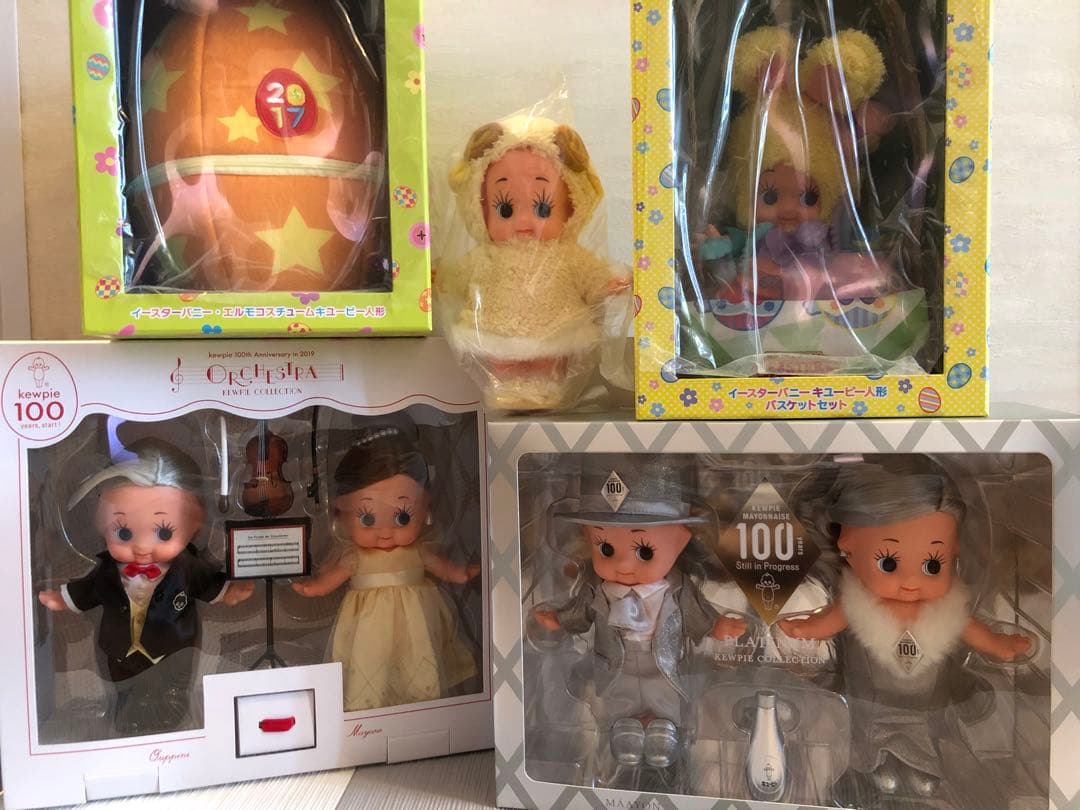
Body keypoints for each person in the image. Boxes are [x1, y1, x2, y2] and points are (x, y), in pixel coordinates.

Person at [291, 425, 479, 711]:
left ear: (425, 510)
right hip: (370, 625)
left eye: (402, 517)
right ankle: (372, 709)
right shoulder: (355, 557)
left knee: (418, 657)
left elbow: (443, 568)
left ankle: (420, 705)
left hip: (417, 623)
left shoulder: (418, 551)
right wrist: (314, 588)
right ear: (342, 515)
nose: (386, 532)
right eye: (367, 519)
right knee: (371, 659)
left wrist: (461, 574)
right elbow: (332, 579)